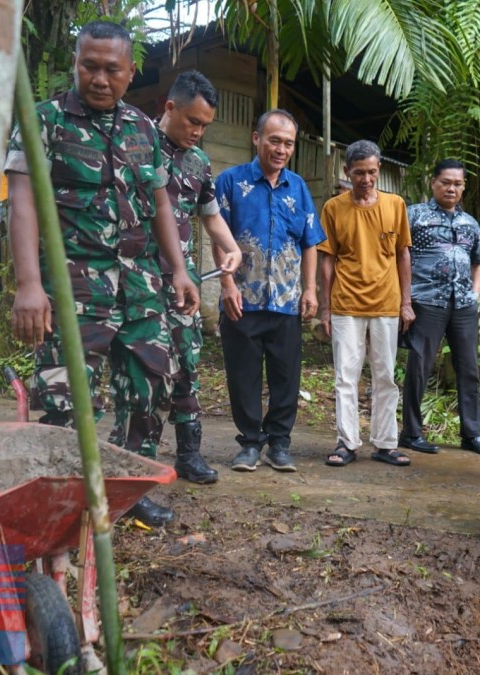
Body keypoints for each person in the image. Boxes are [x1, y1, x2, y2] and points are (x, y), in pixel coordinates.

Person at [5, 21, 199, 527]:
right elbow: (21, 203)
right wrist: (29, 285)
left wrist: (178, 269)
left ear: (131, 72)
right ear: (75, 63)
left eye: (111, 69)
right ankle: (63, 501)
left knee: (148, 388)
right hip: (73, 288)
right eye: (89, 65)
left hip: (139, 287)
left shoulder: (142, 128)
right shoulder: (42, 121)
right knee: (66, 399)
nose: (98, 78)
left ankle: (124, 496)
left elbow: (158, 202)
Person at [114, 70, 241, 486]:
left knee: (186, 365)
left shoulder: (199, 162)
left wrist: (232, 247)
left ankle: (189, 455)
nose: (198, 132)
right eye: (193, 122)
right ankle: (136, 468)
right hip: (138, 283)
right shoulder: (135, 144)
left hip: (181, 287)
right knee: (145, 377)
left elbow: (210, 215)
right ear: (170, 107)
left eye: (205, 126)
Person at [214, 109, 326, 472]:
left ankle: (279, 443)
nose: (281, 149)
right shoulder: (230, 182)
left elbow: (310, 241)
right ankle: (249, 443)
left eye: (288, 143)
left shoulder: (299, 187)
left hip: (286, 301)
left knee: (286, 375)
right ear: (256, 138)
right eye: (274, 140)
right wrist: (227, 283)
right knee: (243, 374)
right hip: (241, 299)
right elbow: (219, 234)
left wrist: (310, 290)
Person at [319, 140, 414, 467]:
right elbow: (327, 259)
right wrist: (325, 307)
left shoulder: (395, 205)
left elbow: (403, 253)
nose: (367, 179)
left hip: (387, 303)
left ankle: (386, 443)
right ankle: (347, 442)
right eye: (360, 173)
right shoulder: (334, 208)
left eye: (372, 172)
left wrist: (406, 302)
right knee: (346, 376)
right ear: (347, 172)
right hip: (346, 303)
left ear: (379, 171)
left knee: (385, 375)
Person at [398, 159, 480, 457]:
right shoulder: (414, 215)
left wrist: (475, 295)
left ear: (463, 186)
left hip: (463, 305)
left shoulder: (470, 223)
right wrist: (404, 299)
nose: (451, 188)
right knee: (419, 367)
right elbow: (399, 256)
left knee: (469, 369)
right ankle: (411, 433)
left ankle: (471, 435)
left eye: (457, 183)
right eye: (446, 182)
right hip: (426, 301)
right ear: (434, 182)